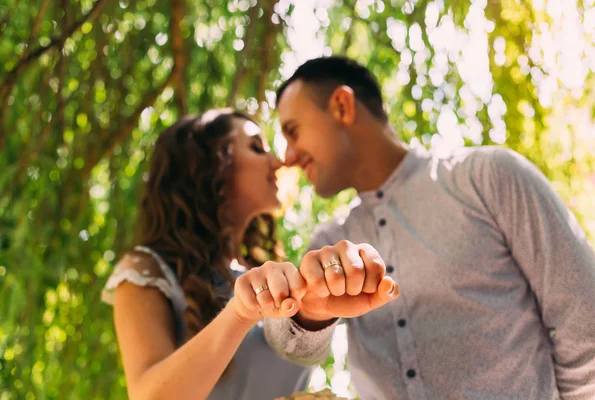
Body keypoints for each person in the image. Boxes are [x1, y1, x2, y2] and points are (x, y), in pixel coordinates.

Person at [264, 56, 595, 399]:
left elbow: (589, 327)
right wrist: (310, 312)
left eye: (293, 132)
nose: (288, 157)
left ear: (341, 106)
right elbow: (291, 348)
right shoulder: (329, 243)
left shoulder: (491, 177)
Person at [101, 109, 399, 400]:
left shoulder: (266, 275)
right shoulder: (146, 269)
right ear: (210, 164)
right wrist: (239, 314)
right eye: (257, 148)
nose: (278, 162)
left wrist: (316, 311)